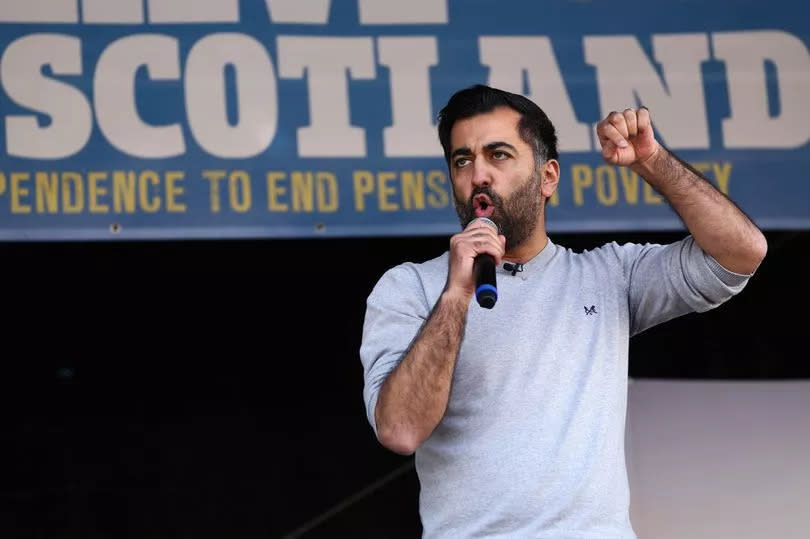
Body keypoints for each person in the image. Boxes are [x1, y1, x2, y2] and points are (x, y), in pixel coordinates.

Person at [359, 84, 767, 538]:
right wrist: (455, 293)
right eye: (462, 160)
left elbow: (742, 253)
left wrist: (653, 161)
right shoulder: (410, 287)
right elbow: (398, 429)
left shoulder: (609, 275)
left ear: (548, 176)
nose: (478, 175)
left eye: (499, 155)